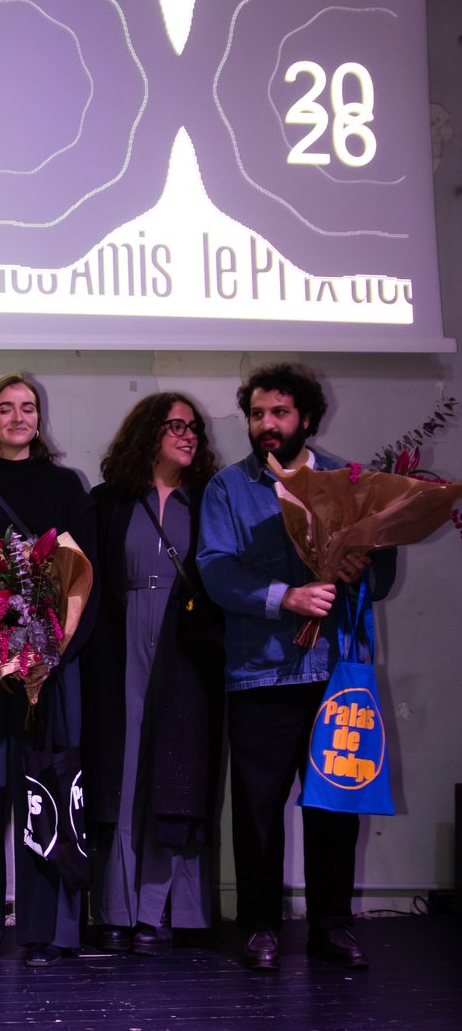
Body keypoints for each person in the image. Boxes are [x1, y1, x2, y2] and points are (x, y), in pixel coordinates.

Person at [197, 363, 396, 971]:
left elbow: (382, 577)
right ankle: (260, 925)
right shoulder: (228, 488)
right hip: (260, 673)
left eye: (278, 413)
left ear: (305, 417)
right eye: (257, 414)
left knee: (336, 804)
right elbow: (216, 570)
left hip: (336, 671)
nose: (266, 424)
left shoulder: (347, 481)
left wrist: (364, 565)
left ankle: (332, 925)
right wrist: (287, 596)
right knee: (256, 810)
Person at [0, 374, 99, 966]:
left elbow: (90, 579)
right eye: (4, 408)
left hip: (55, 670)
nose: (17, 417)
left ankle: (48, 931)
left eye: (27, 407)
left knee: (48, 792)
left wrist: (53, 652)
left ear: (39, 418)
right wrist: (0, 639)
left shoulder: (67, 487)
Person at [83, 393, 222, 957]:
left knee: (176, 771)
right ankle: (117, 908)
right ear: (147, 434)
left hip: (186, 647)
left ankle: (164, 909)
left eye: (193, 427)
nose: (188, 436)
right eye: (174, 426)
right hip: (120, 644)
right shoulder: (108, 502)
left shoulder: (210, 501)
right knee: (123, 772)